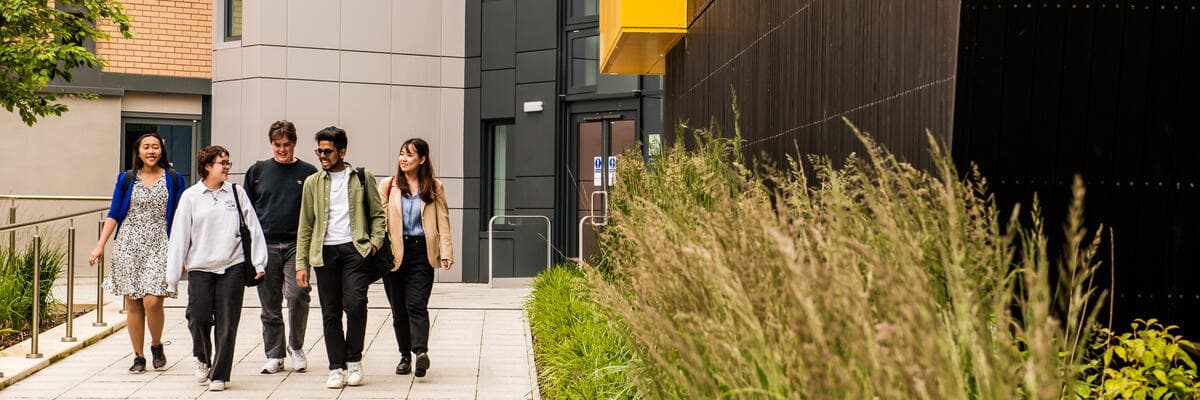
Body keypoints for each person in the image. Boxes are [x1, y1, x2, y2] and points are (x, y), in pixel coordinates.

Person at [166, 146, 268, 392]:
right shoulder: (191, 196)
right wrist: (171, 278)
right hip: (200, 267)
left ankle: (220, 374)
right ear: (207, 166)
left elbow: (253, 228)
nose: (227, 167)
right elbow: (179, 237)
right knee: (198, 317)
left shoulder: (236, 192)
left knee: (227, 322)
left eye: (228, 162)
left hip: (232, 266)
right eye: (222, 162)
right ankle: (202, 357)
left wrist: (259, 261)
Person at [295, 126, 386, 389]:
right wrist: (302, 263)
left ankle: (354, 360)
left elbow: (378, 215)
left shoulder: (361, 177)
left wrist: (375, 244)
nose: (322, 155)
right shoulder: (313, 182)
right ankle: (336, 367)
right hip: (324, 254)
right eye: (319, 151)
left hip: (355, 250)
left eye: (328, 151)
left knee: (356, 304)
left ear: (342, 151)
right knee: (330, 312)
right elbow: (306, 225)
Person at [89, 132, 187, 373]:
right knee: (133, 303)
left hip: (160, 243)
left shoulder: (174, 179)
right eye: (146, 147)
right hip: (128, 244)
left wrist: (184, 252)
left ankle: (156, 344)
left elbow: (183, 217)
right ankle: (138, 356)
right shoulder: (127, 178)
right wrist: (101, 244)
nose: (151, 151)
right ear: (139, 151)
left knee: (153, 300)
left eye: (155, 147)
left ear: (161, 151)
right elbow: (114, 213)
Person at [244, 121, 318, 374]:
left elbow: (315, 212)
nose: (282, 149)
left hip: (297, 244)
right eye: (278, 145)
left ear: (294, 143)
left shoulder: (308, 172)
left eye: (287, 145)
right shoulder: (258, 171)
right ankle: (274, 354)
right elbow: (247, 212)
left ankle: (295, 346)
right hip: (265, 245)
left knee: (298, 295)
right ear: (271, 144)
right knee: (269, 303)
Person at [380, 138, 453, 378]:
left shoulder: (434, 186)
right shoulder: (388, 185)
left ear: (422, 159)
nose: (403, 159)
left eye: (409, 155)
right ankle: (404, 356)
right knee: (399, 309)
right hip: (395, 253)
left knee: (416, 303)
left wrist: (446, 252)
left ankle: (420, 352)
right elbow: (380, 220)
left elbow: (443, 219)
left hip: (422, 252)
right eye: (401, 154)